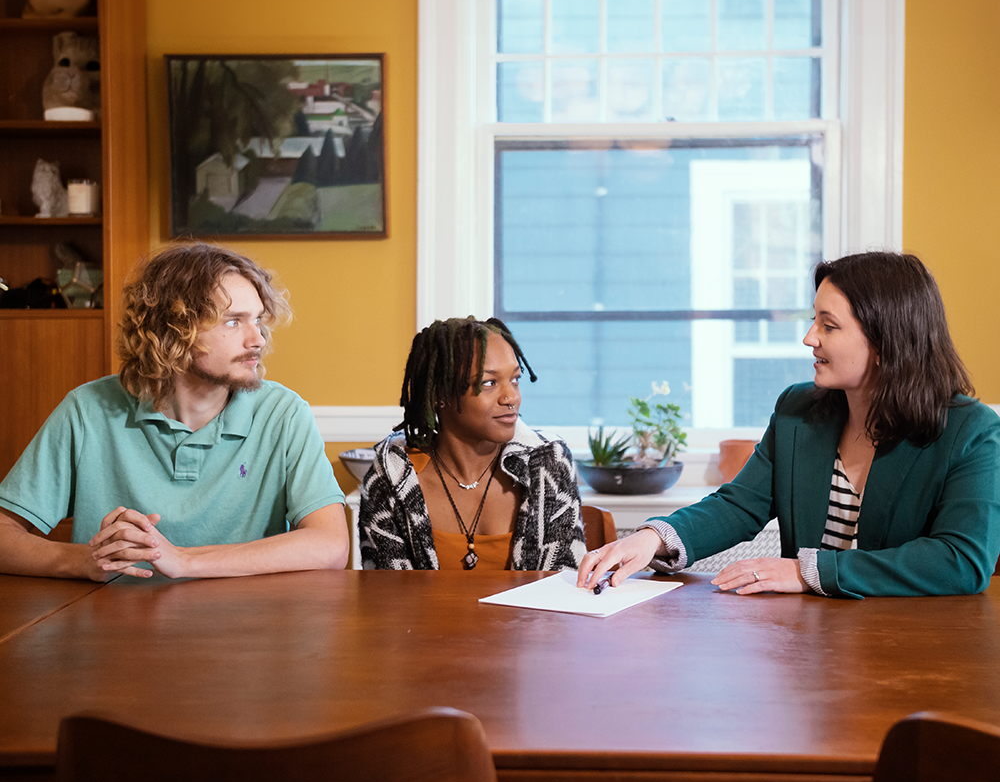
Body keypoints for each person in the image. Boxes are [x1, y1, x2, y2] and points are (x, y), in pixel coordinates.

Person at [579, 251, 1000, 600]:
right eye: (814, 320)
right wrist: (653, 538)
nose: (809, 338)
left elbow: (961, 560)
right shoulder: (797, 409)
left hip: (915, 648)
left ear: (887, 340)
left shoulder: (972, 432)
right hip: (807, 648)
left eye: (828, 325)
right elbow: (739, 506)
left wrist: (806, 572)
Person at [0, 242, 349, 581]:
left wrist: (183, 560)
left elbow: (331, 546)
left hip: (248, 630)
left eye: (257, 320)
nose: (256, 338)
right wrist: (85, 561)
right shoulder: (87, 410)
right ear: (172, 329)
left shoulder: (283, 413)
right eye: (233, 321)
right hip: (114, 631)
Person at [360, 316, 586, 570]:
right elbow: (387, 596)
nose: (511, 396)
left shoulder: (548, 465)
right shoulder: (392, 478)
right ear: (439, 395)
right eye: (489, 383)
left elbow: (563, 587)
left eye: (515, 379)